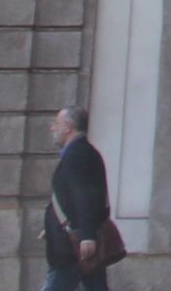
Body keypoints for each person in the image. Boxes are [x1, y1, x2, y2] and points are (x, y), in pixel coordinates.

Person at [42, 104, 116, 291]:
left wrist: (88, 235)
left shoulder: (79, 155)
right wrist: (51, 225)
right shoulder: (80, 153)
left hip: (73, 247)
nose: (52, 128)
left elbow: (86, 197)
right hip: (76, 243)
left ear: (67, 127)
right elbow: (69, 198)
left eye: (56, 123)